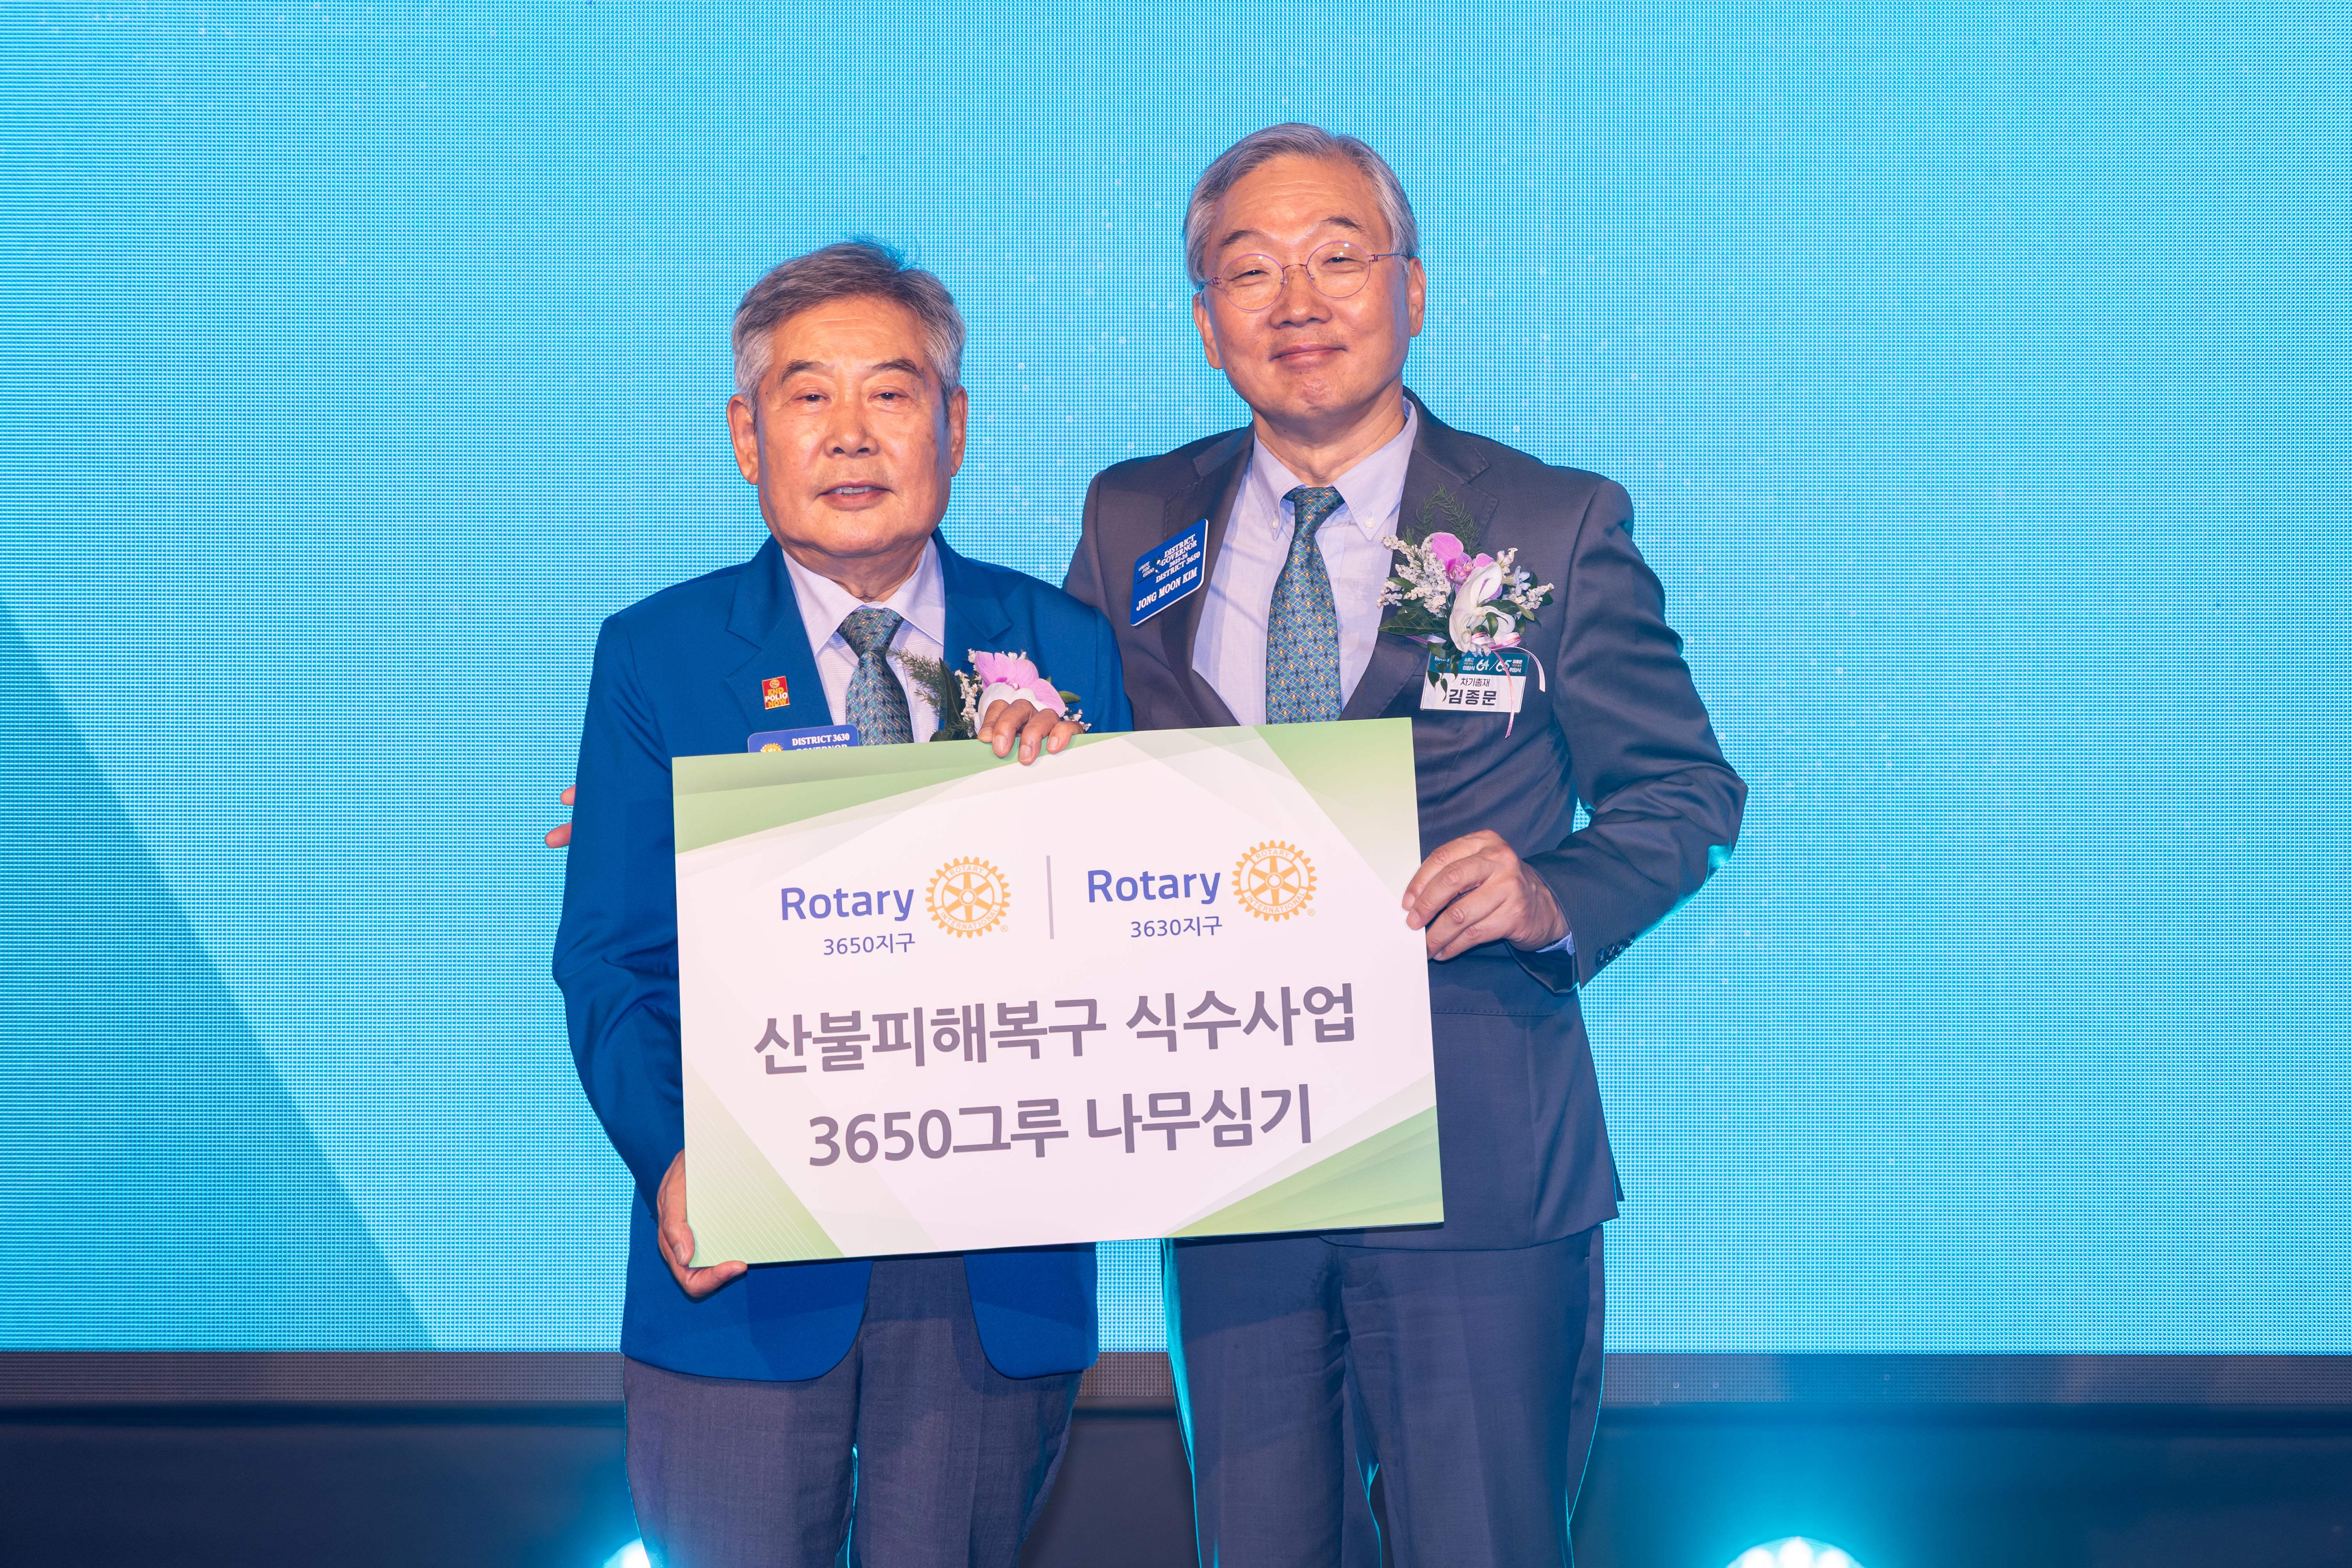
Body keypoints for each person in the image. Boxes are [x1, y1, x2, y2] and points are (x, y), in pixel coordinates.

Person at [1062, 125, 1746, 1566]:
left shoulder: (1549, 521)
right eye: (1250, 271)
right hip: (1235, 1149)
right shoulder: (1133, 520)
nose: (1296, 301)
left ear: (1412, 290)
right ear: (1206, 322)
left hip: (1476, 1158)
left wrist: (1549, 891)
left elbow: (1685, 793)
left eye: (1336, 257)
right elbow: (1072, 782)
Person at [554, 240, 1131, 1568]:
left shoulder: (1064, 645)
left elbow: (1134, 939)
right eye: (810, 396)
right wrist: (675, 1159)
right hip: (745, 1265)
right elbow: (613, 960)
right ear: (746, 436)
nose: (852, 434)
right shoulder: (657, 654)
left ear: (956, 426)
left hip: (992, 1274)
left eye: (893, 392)